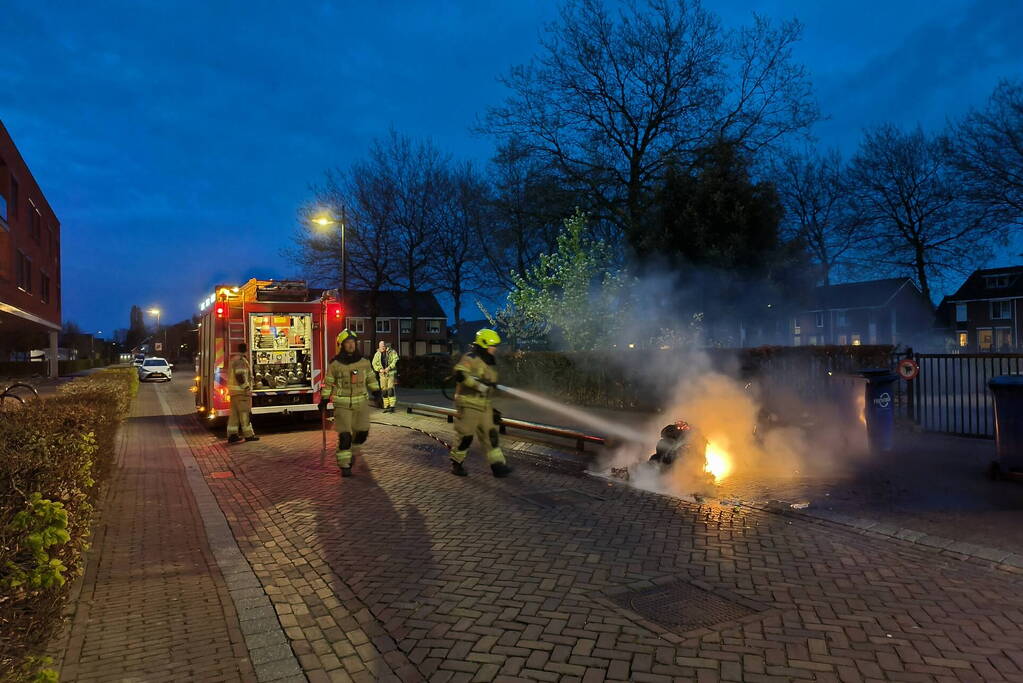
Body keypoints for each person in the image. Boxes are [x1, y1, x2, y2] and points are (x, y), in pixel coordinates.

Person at [449, 328, 512, 478]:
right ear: (483, 344)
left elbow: (489, 385)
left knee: (491, 435)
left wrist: (493, 408)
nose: (494, 349)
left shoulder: (489, 362)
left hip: (484, 405)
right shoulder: (470, 357)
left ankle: (498, 466)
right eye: (492, 346)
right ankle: (456, 463)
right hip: (468, 404)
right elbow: (460, 374)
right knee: (466, 436)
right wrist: (478, 385)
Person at [319, 330, 381, 477]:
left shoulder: (364, 362)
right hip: (342, 405)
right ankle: (345, 465)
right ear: (342, 345)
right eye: (347, 342)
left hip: (361, 404)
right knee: (345, 436)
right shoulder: (335, 365)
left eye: (353, 342)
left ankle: (352, 452)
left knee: (362, 434)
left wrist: (377, 392)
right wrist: (324, 399)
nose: (351, 345)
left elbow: (371, 379)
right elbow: (328, 384)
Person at [227, 342, 259, 443]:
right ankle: (248, 435)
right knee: (245, 414)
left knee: (234, 415)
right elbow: (240, 375)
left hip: (234, 392)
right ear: (246, 349)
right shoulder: (241, 361)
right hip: (241, 393)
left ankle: (232, 435)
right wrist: (246, 388)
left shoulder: (234, 359)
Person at [372, 340, 399, 412]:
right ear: (379, 347)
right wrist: (379, 369)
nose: (382, 348)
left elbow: (395, 359)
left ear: (385, 345)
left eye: (383, 346)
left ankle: (392, 406)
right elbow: (374, 364)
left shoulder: (391, 352)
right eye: (381, 346)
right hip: (382, 375)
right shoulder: (377, 354)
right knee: (384, 391)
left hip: (390, 373)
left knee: (390, 389)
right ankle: (386, 406)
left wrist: (389, 367)